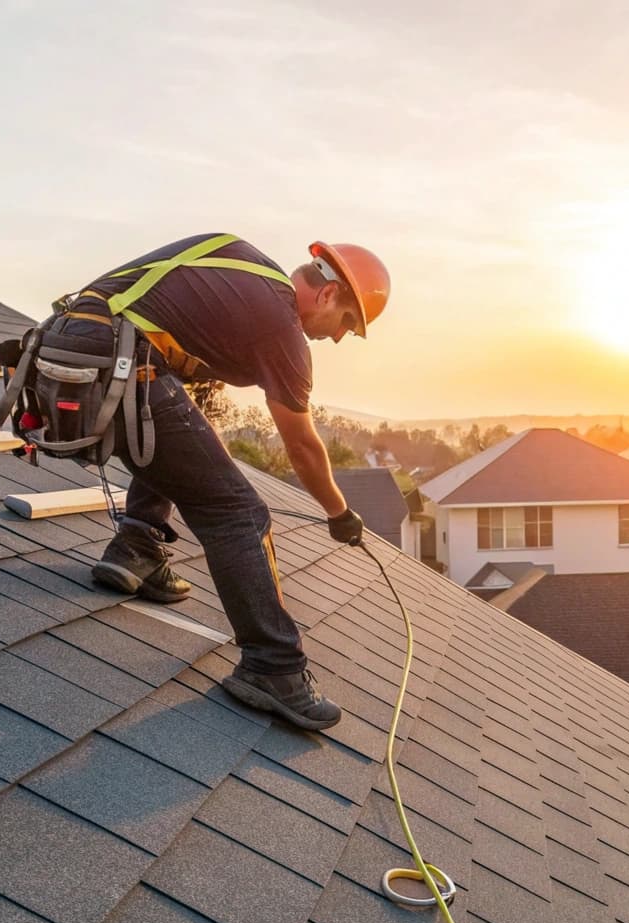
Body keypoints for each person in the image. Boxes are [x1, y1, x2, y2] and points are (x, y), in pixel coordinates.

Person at [54, 233, 390, 732]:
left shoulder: (240, 266)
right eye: (346, 323)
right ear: (327, 294)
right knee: (240, 513)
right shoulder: (281, 329)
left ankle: (137, 546)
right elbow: (301, 446)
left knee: (188, 426)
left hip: (71, 346)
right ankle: (273, 668)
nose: (338, 337)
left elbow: (183, 428)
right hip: (119, 364)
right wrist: (339, 513)